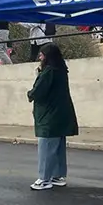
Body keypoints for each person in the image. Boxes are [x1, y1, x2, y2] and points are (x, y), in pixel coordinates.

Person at [26, 43, 79, 191]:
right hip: (61, 113)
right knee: (58, 147)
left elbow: (38, 91)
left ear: (47, 56)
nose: (40, 56)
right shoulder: (61, 70)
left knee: (46, 147)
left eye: (42, 54)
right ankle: (58, 175)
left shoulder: (48, 72)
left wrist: (30, 93)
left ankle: (44, 178)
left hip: (49, 115)